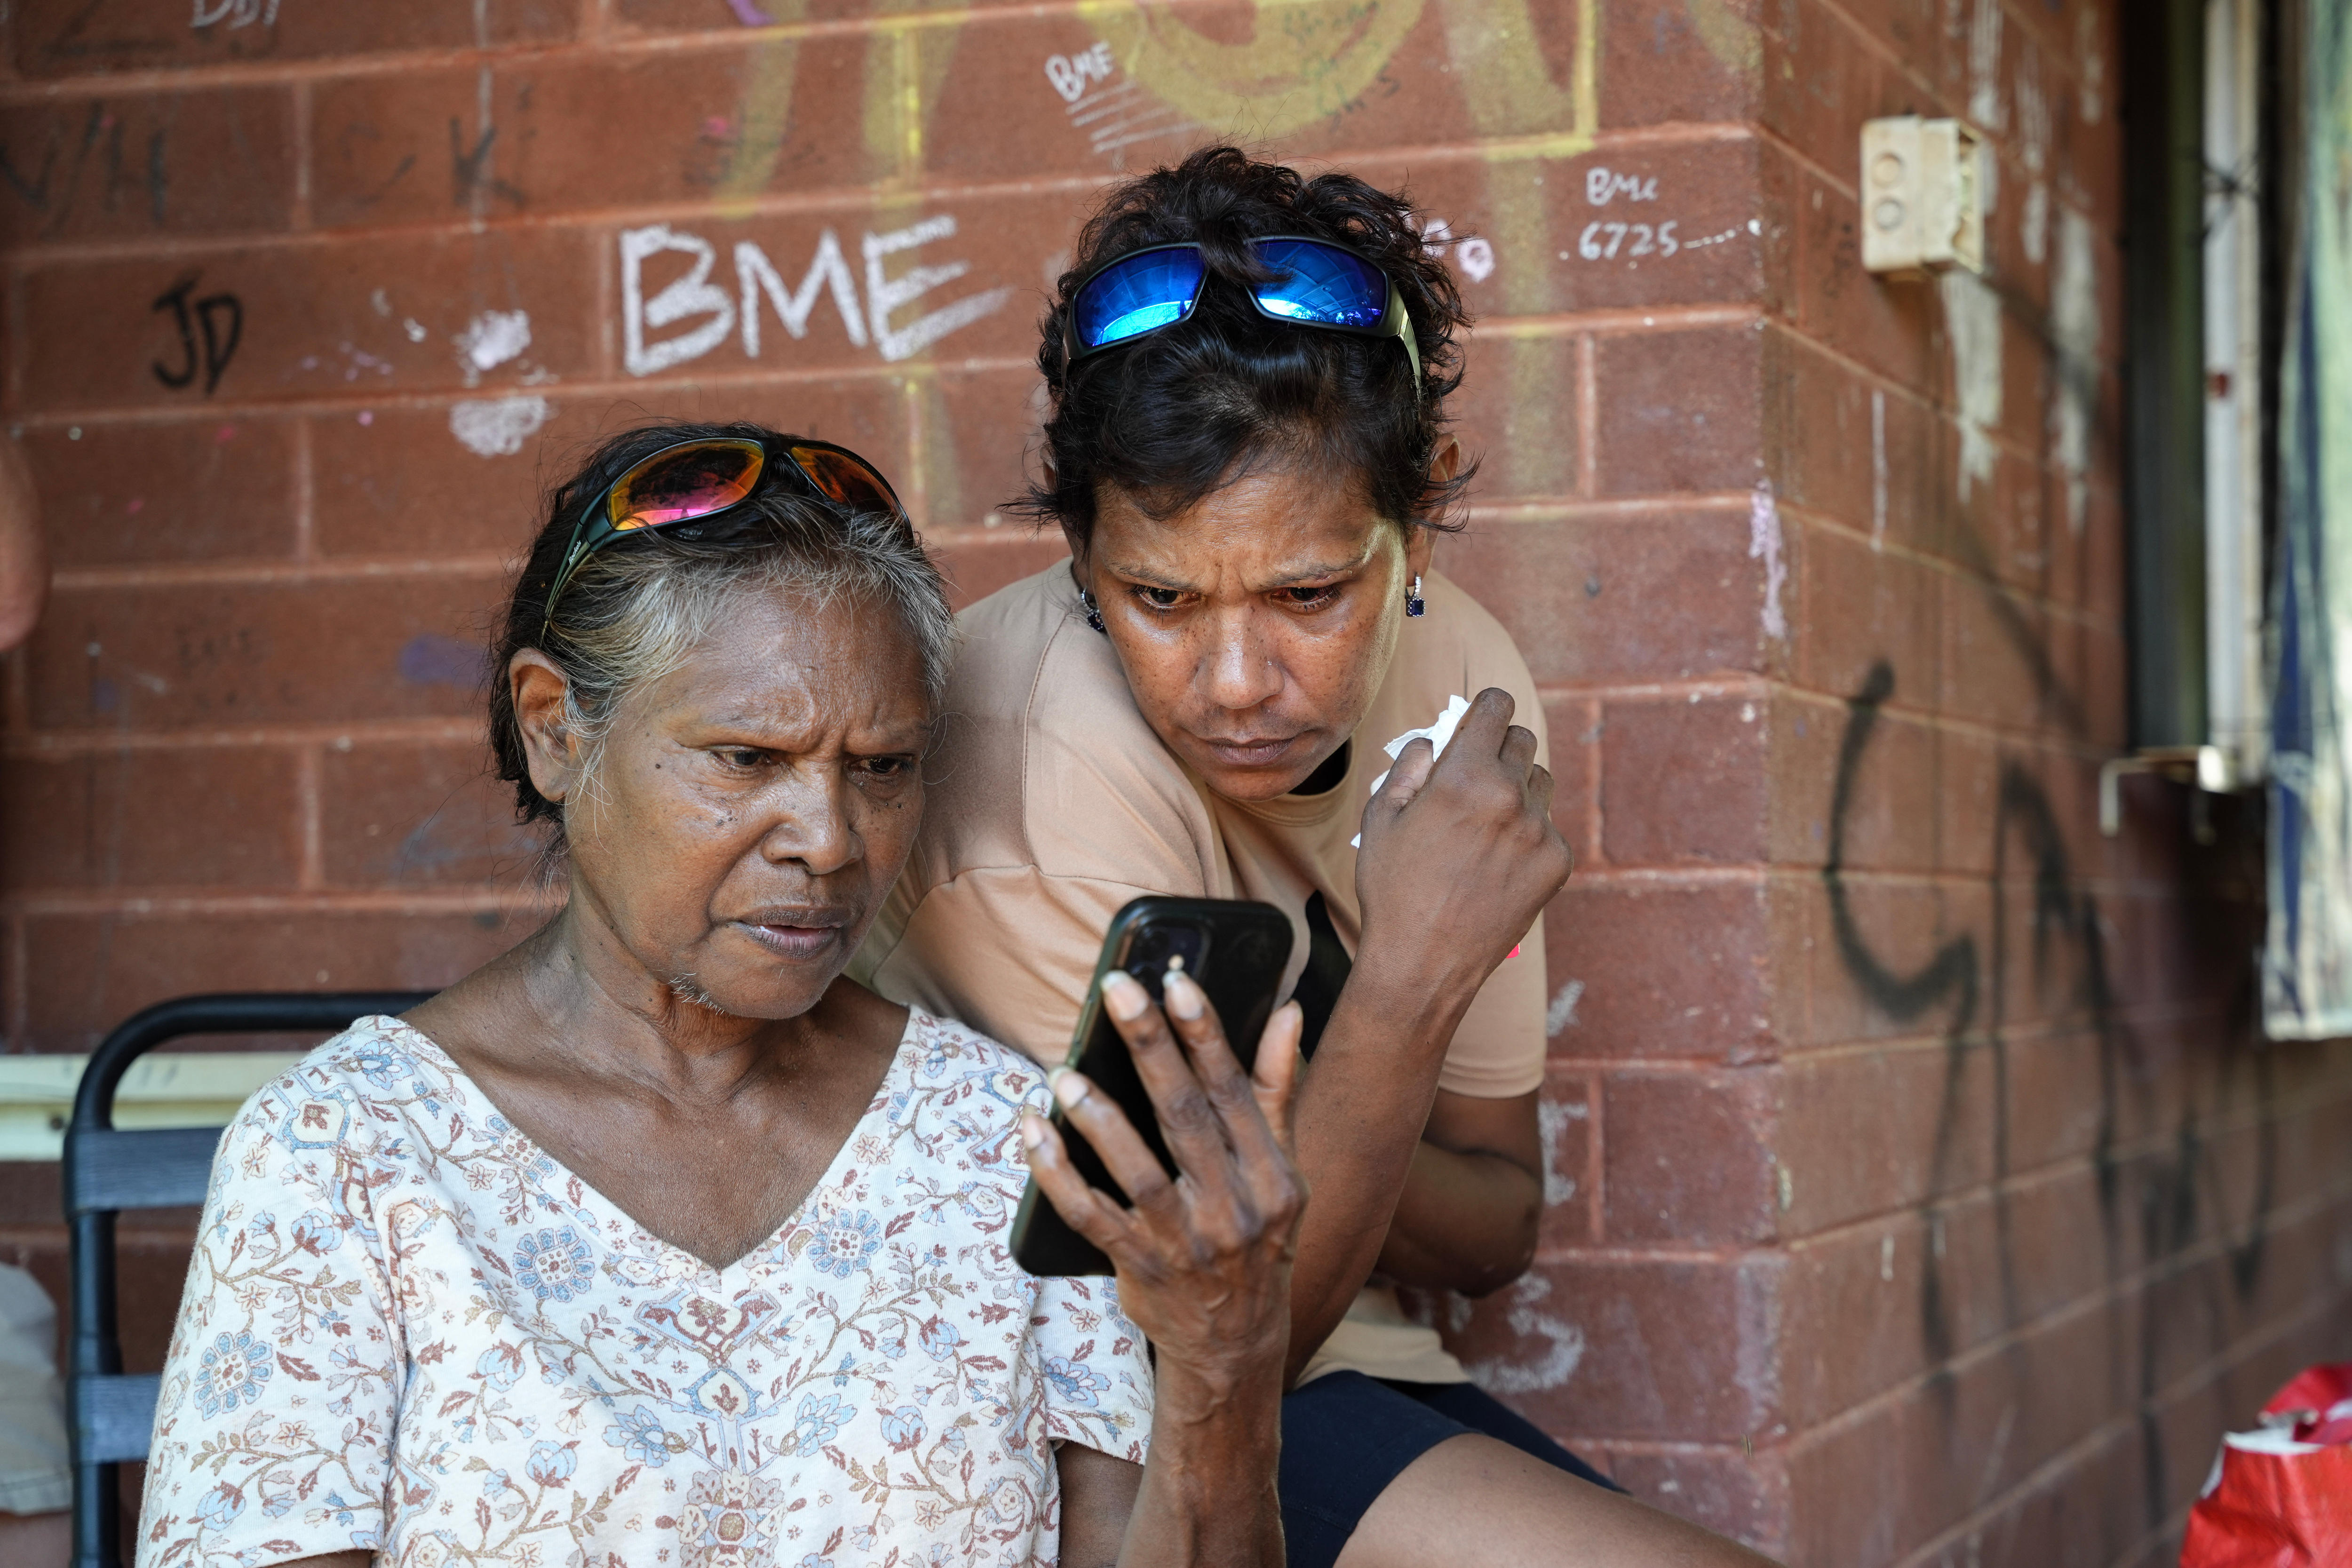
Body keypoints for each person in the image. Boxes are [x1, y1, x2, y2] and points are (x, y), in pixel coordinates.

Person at [136, 424, 1306, 1568]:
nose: (828, 839)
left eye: (882, 766)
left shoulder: (1002, 1138)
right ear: (555, 728)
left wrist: (1221, 1365)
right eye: (746, 758)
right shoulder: (345, 1153)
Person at [852, 151, 1778, 1567]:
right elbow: (1230, 1350)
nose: (1236, 679)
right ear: (1081, 544)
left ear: (1417, 521)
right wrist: (1404, 981)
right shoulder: (1035, 750)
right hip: (1086, 1403)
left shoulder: (1464, 675)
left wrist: (1266, 1126)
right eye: (1158, 596)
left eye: (1308, 593)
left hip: (1343, 1350)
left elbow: (1495, 1216)